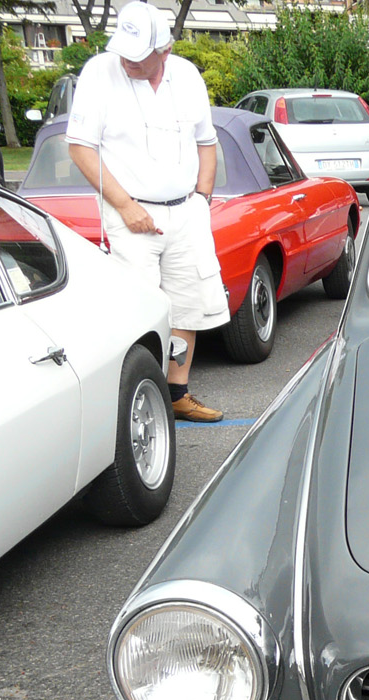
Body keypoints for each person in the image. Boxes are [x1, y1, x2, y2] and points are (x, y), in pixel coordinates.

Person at [66, 0, 224, 422]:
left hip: (185, 211)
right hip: (130, 214)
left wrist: (202, 200)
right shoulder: (100, 72)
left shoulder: (187, 76)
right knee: (139, 311)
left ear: (164, 51)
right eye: (123, 52)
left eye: (138, 57)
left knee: (187, 305)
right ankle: (140, 400)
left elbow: (206, 142)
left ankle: (178, 393)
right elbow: (81, 147)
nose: (127, 62)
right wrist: (125, 206)